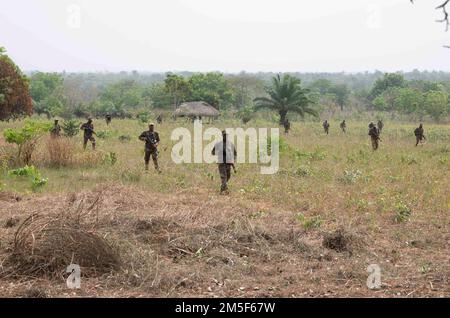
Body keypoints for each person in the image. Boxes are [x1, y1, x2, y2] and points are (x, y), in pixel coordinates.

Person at [211, 130, 237, 195]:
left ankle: (223, 188)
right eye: (224, 135)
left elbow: (235, 153)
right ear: (222, 135)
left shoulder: (231, 144)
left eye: (226, 135)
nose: (225, 136)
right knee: (224, 177)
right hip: (221, 163)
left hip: (229, 163)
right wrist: (219, 152)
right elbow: (213, 152)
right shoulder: (218, 144)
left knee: (228, 176)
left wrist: (233, 161)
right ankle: (224, 190)